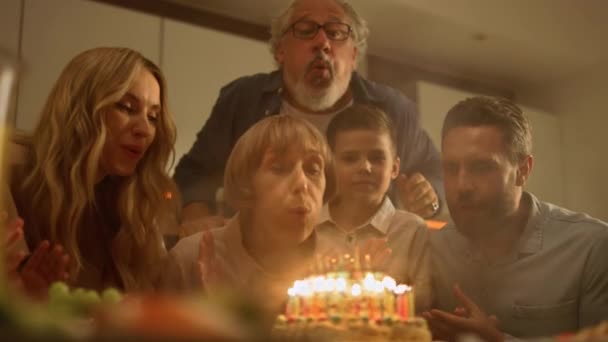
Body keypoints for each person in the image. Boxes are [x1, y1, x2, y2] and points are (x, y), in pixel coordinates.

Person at [174, 0, 443, 235]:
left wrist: (430, 199)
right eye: (305, 30)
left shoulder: (393, 109)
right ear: (280, 51)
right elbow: (194, 172)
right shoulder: (242, 100)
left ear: (353, 56)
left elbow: (438, 174)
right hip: (258, 262)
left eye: (336, 33)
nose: (322, 43)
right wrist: (195, 215)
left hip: (366, 262)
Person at [424, 97, 608, 340]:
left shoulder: (591, 248)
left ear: (523, 170)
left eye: (481, 167)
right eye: (450, 168)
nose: (462, 186)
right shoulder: (436, 248)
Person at [10, 47, 179, 292]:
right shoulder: (11, 167)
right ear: (81, 109)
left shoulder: (131, 202)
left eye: (153, 117)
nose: (144, 129)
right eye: (127, 108)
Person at [161, 115, 335, 323]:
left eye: (313, 170)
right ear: (246, 183)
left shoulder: (341, 268)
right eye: (279, 168)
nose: (302, 183)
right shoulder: (189, 262)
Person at [317, 104, 431, 312]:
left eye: (377, 158)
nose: (365, 167)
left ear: (395, 168)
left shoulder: (412, 230)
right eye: (350, 158)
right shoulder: (309, 227)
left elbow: (422, 306)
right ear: (331, 166)